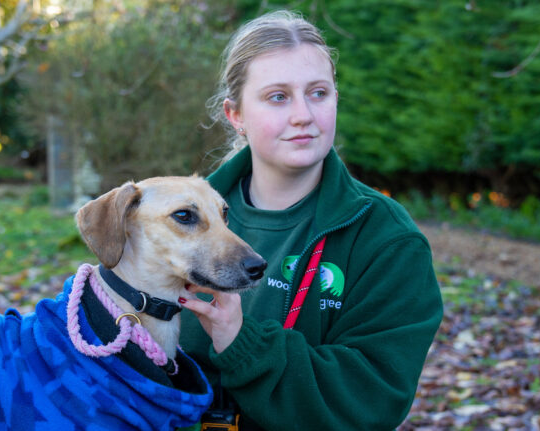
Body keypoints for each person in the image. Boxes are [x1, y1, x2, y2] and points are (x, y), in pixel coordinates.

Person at [178, 10, 443, 430]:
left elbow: (373, 398)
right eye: (278, 96)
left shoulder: (386, 239)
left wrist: (240, 344)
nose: (303, 114)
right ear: (236, 115)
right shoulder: (175, 221)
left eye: (318, 93)